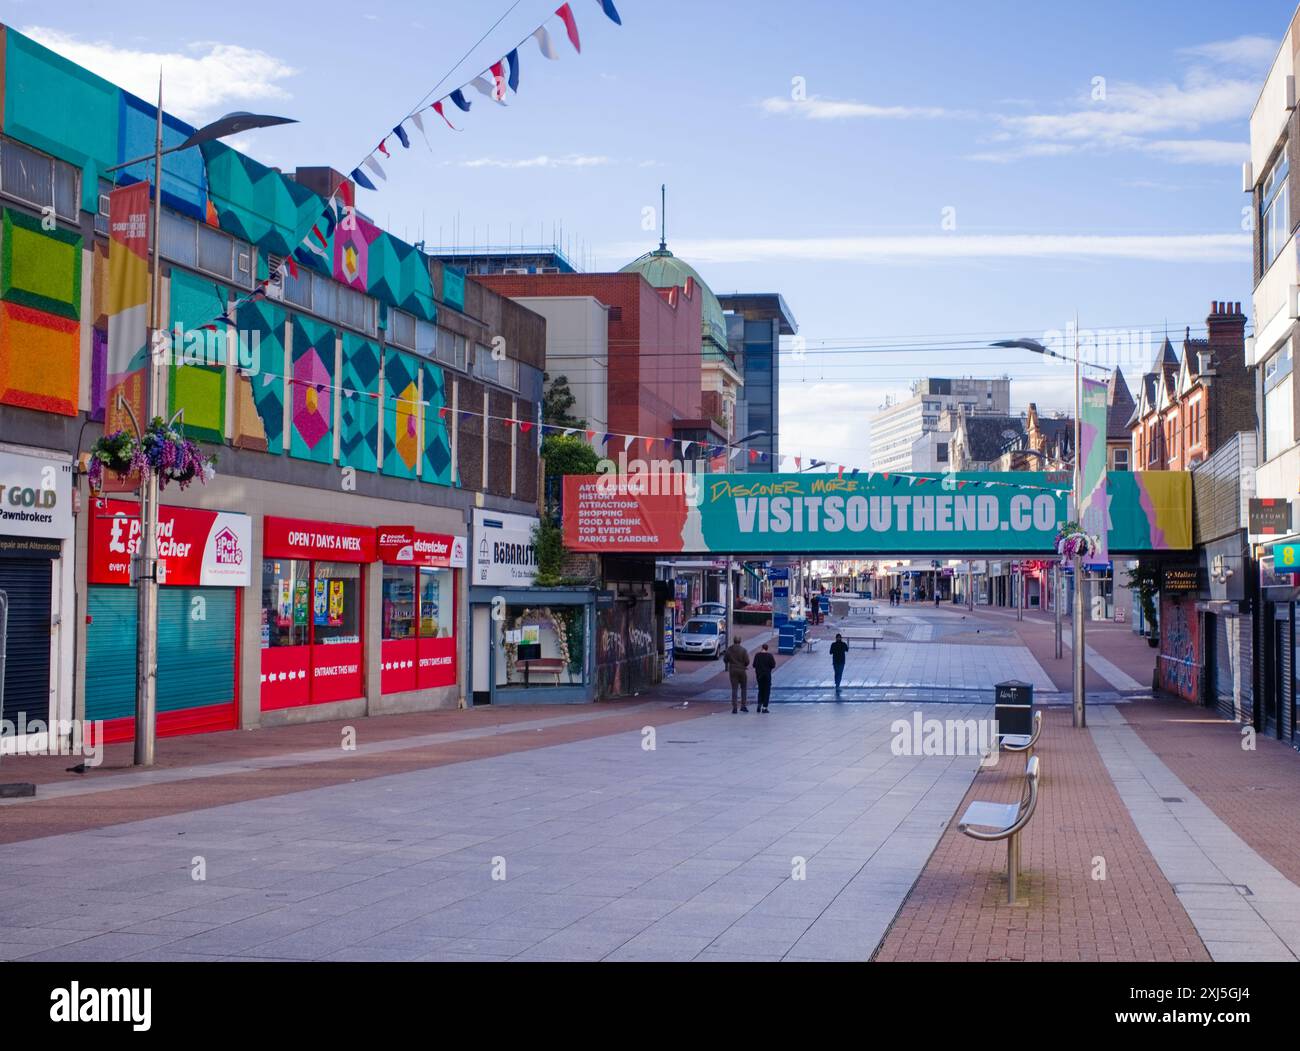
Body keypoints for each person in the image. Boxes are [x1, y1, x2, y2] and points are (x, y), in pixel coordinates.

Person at [724, 634, 750, 713]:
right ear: (740, 641)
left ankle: (734, 707)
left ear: (734, 641)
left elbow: (725, 660)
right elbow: (747, 661)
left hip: (733, 670)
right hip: (742, 670)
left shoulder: (729, 649)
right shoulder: (743, 650)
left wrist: (729, 663)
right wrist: (744, 665)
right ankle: (743, 706)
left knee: (734, 689)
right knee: (743, 688)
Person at [753, 643, 776, 713]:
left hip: (759, 676)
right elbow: (773, 665)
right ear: (767, 648)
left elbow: (754, 665)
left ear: (762, 648)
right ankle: (765, 707)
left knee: (760, 690)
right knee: (767, 691)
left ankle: (759, 703)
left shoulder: (757, 655)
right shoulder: (769, 656)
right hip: (767, 675)